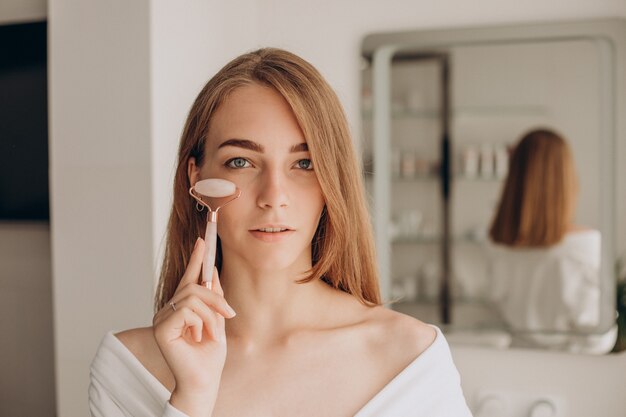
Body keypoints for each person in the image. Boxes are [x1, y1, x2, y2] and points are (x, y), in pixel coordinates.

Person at [88, 48, 471, 416]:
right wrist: (193, 397)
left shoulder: (410, 360)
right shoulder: (130, 369)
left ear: (331, 182)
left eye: (304, 163)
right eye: (241, 161)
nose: (274, 196)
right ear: (197, 176)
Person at [487, 128, 617, 354]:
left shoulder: (498, 242)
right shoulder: (584, 245)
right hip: (568, 368)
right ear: (566, 178)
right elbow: (598, 339)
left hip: (514, 362)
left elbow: (495, 311)